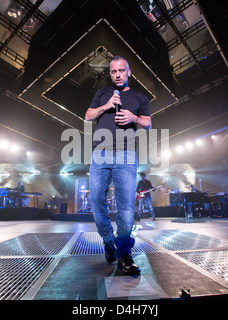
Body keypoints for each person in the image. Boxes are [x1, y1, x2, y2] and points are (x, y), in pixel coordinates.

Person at [85, 56, 151, 275]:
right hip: (100, 154)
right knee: (95, 200)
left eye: (121, 70)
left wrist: (133, 117)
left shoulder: (139, 96)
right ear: (110, 74)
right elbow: (88, 117)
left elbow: (148, 123)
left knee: (125, 206)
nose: (117, 74)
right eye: (113, 72)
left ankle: (123, 253)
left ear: (129, 72)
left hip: (126, 154)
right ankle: (107, 240)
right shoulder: (103, 93)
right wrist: (106, 106)